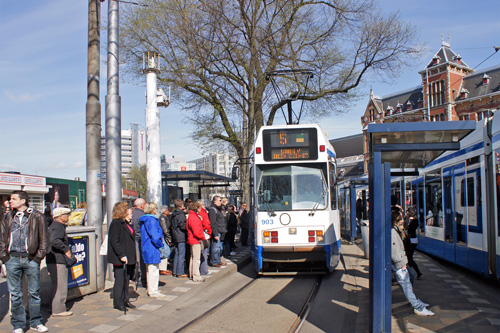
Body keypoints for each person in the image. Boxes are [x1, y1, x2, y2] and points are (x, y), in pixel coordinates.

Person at [0, 190, 50, 333]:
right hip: (12, 259)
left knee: (34, 293)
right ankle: (18, 325)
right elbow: (2, 238)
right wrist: (4, 258)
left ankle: (35, 322)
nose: (11, 201)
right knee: (15, 295)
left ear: (23, 201)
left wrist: (37, 258)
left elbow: (44, 239)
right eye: (10, 199)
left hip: (30, 259)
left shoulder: (36, 216)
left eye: (13, 199)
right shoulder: (8, 217)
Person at [391, 210, 434, 316]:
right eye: (400, 219)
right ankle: (417, 307)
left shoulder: (396, 230)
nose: (402, 220)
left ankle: (415, 301)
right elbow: (395, 251)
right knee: (407, 285)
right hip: (400, 264)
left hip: (401, 262)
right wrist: (401, 263)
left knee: (408, 282)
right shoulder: (393, 232)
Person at [108, 202, 137, 311]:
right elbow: (114, 241)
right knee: (120, 280)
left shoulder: (125, 223)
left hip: (127, 256)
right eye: (127, 210)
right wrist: (121, 255)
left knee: (126, 279)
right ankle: (118, 302)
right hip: (120, 257)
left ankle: (125, 300)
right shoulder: (116, 223)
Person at [46, 207, 74, 317]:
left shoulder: (54, 226)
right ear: (61, 216)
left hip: (52, 259)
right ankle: (58, 309)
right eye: (67, 214)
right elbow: (55, 241)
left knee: (55, 285)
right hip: (58, 259)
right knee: (60, 285)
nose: (68, 216)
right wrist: (65, 249)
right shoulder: (58, 227)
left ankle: (52, 306)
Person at [139, 202, 165, 297]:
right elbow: (155, 235)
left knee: (150, 269)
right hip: (152, 247)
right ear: (153, 210)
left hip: (147, 246)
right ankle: (153, 290)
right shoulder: (152, 220)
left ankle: (151, 288)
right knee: (153, 269)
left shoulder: (145, 220)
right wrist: (160, 244)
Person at [186, 202, 205, 282]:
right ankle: (196, 275)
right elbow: (196, 231)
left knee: (193, 257)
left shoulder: (192, 216)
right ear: (197, 208)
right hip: (195, 239)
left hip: (192, 239)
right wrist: (202, 237)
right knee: (196, 258)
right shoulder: (194, 217)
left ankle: (191, 273)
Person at [131, 198, 147, 288]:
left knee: (139, 260)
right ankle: (141, 279)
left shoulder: (134, 214)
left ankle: (140, 279)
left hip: (136, 238)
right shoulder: (142, 215)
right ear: (142, 205)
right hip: (140, 239)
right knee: (141, 260)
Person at [171, 199, 188, 278]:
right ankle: (180, 272)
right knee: (181, 254)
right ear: (181, 206)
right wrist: (187, 223)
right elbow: (183, 226)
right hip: (181, 236)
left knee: (177, 254)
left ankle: (175, 271)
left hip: (175, 235)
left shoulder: (174, 214)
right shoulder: (181, 215)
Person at [209, 196, 227, 267]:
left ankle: (218, 260)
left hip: (220, 230)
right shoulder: (213, 210)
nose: (220, 202)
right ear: (215, 201)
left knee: (219, 247)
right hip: (217, 231)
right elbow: (213, 222)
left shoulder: (217, 209)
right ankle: (214, 261)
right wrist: (215, 233)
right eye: (219, 200)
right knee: (215, 247)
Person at [405, 207, 423, 279]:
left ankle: (418, 273)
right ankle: (415, 273)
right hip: (414, 239)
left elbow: (407, 229)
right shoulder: (416, 220)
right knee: (410, 257)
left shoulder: (407, 220)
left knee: (409, 258)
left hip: (410, 240)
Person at [197, 200, 212, 276]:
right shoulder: (203, 212)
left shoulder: (195, 213)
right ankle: (204, 270)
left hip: (199, 235)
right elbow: (206, 224)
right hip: (203, 235)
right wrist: (209, 232)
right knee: (204, 253)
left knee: (199, 254)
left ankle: (200, 270)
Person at [158, 205, 172, 275]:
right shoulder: (162, 219)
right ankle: (162, 268)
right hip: (164, 237)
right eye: (167, 210)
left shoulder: (165, 218)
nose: (168, 211)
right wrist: (169, 238)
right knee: (164, 251)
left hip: (165, 236)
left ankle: (164, 267)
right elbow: (165, 230)